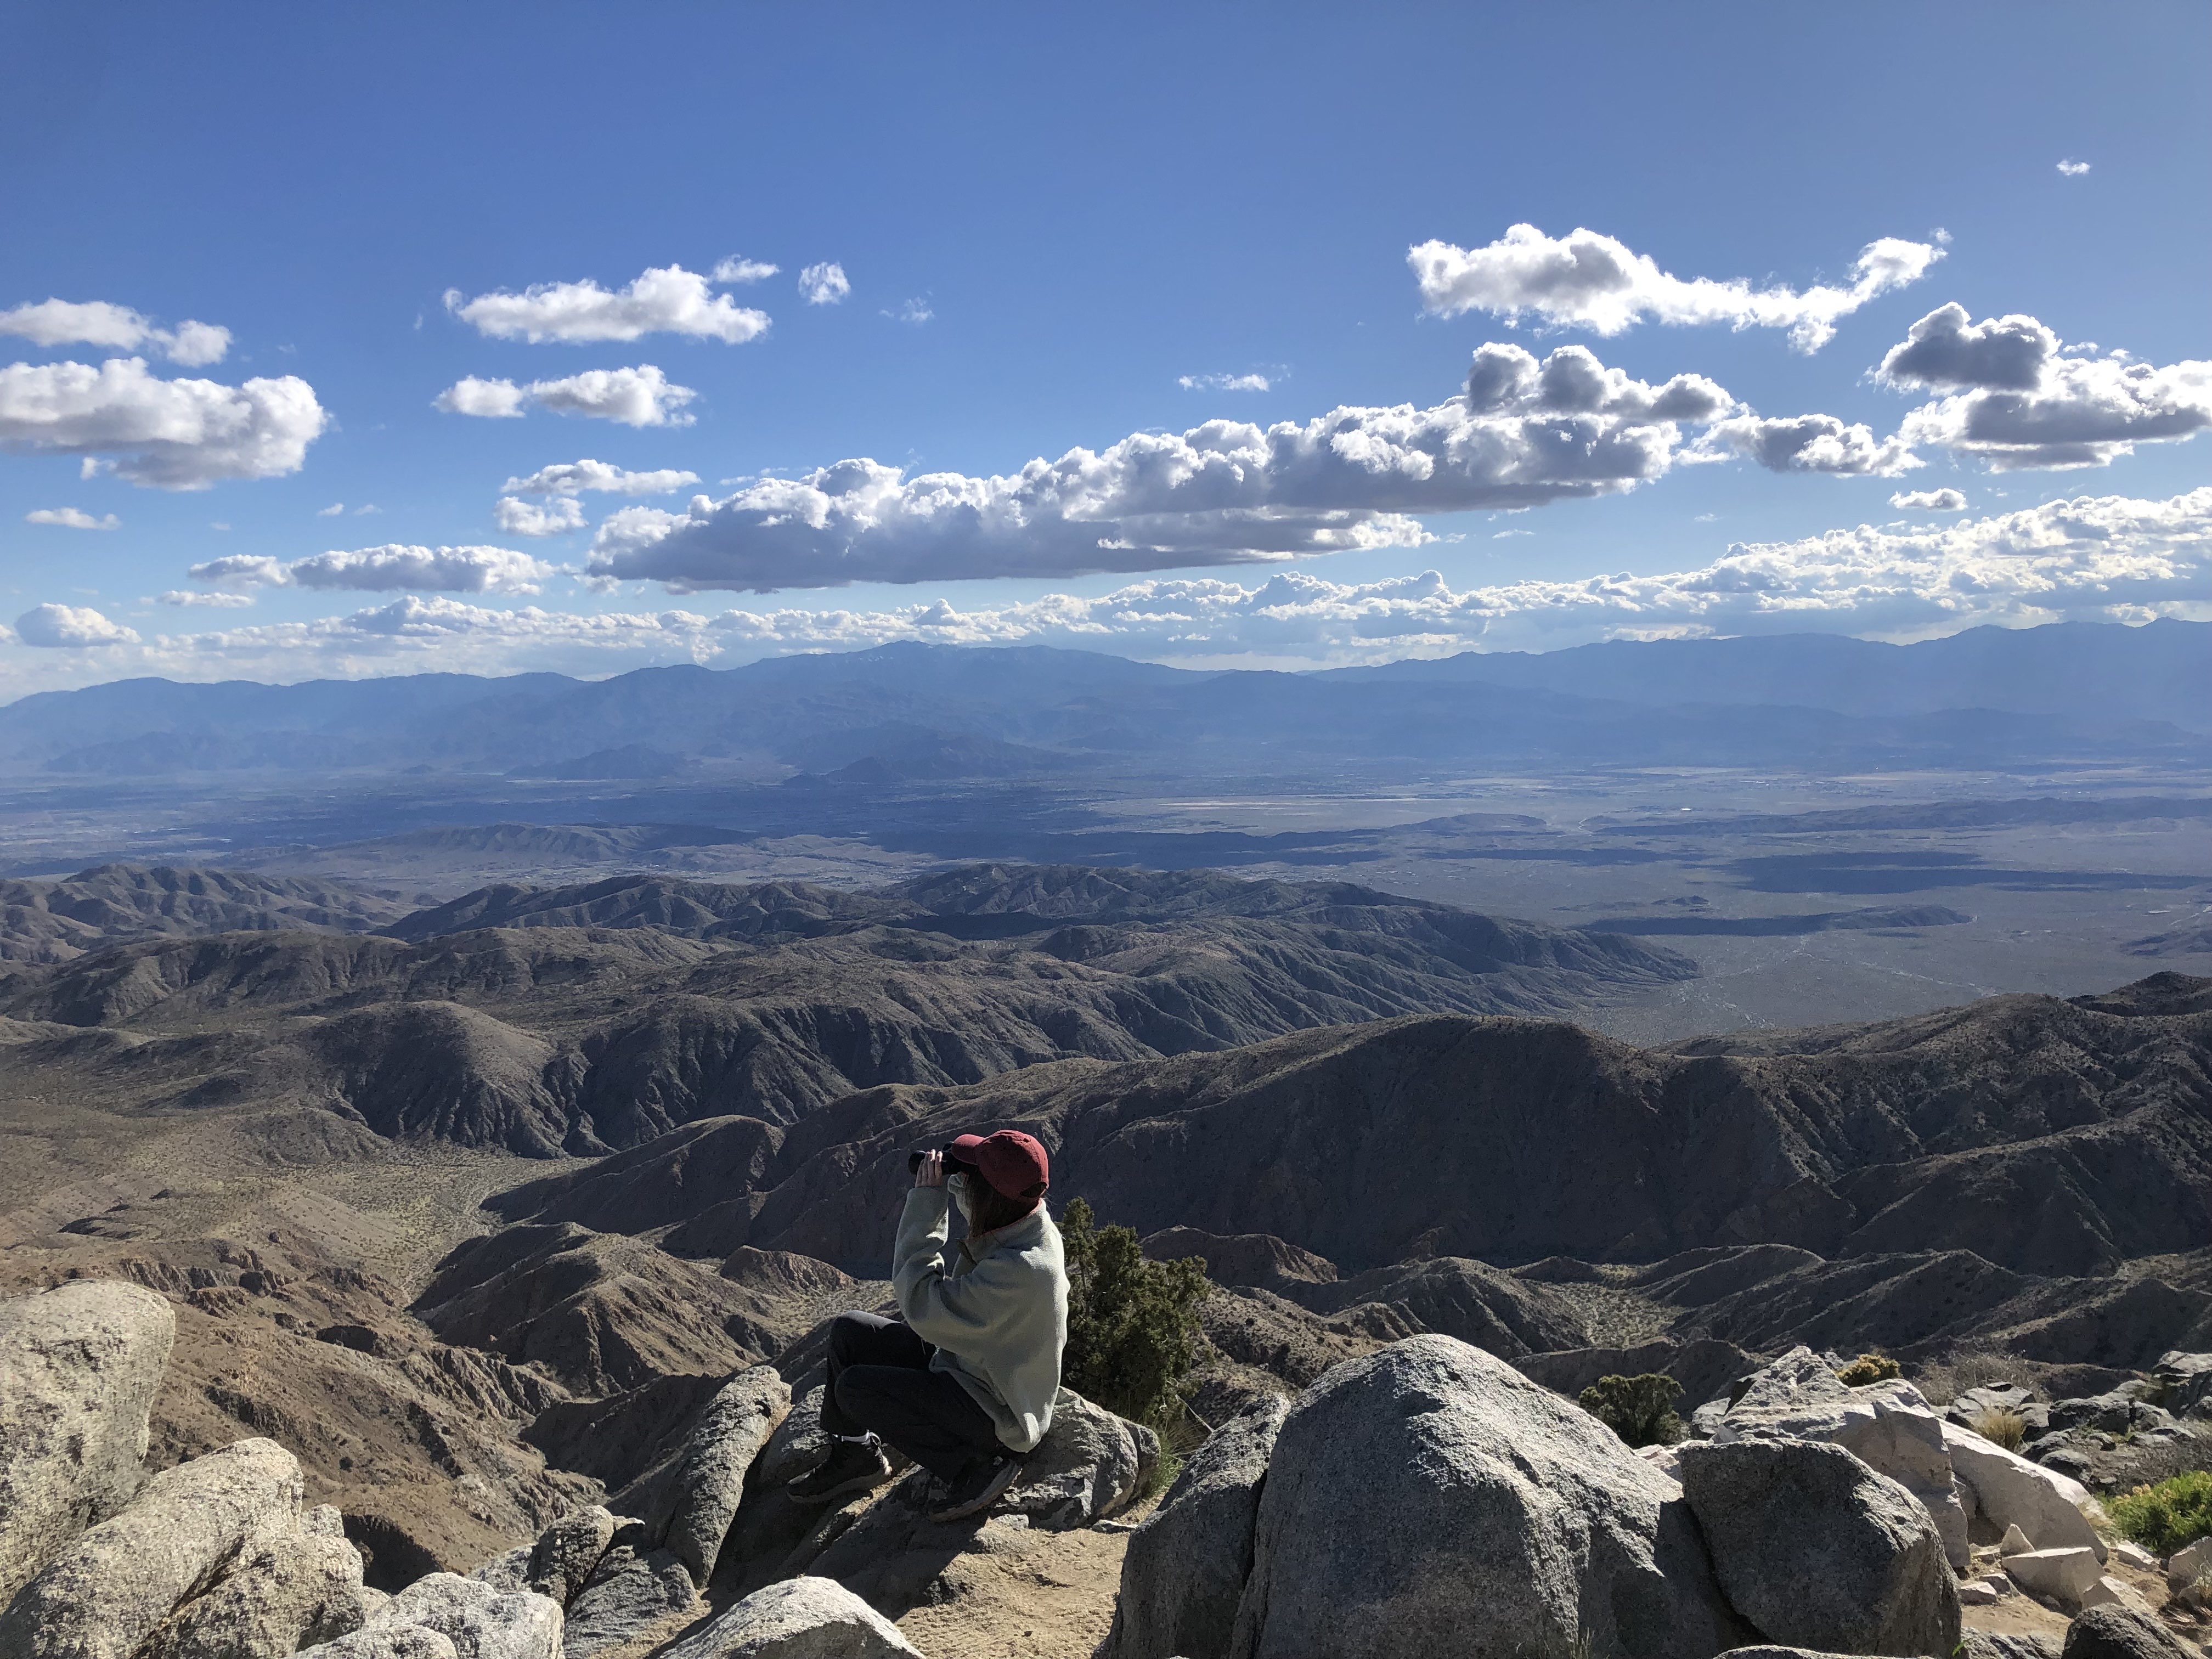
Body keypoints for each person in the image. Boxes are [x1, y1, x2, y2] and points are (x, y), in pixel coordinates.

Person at [786, 1128, 1068, 1523]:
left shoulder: (1021, 1271)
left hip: (999, 1414)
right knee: (850, 1331)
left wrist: (927, 1204)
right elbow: (988, 1202)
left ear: (986, 1196)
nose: (962, 1183)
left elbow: (920, 1301)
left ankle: (975, 1468)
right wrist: (947, 1176)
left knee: (856, 1389)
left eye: (969, 1179)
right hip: (974, 1367)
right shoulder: (1027, 1219)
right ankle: (855, 1455)